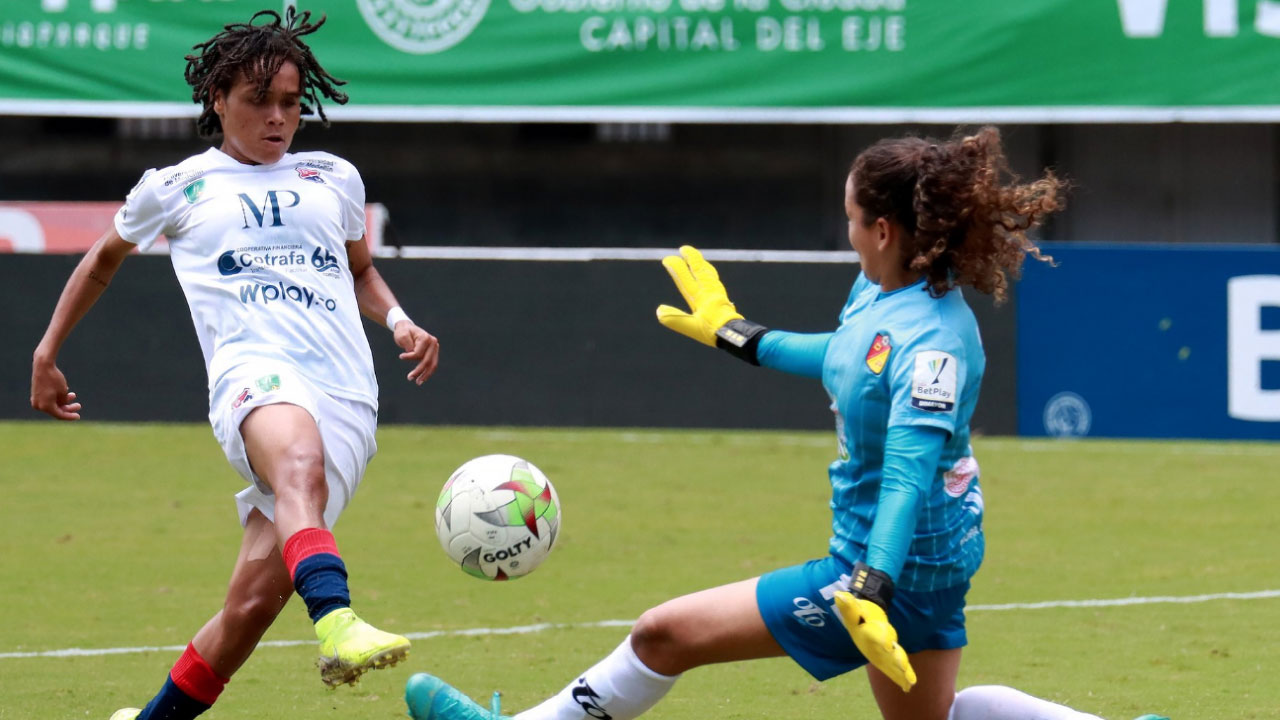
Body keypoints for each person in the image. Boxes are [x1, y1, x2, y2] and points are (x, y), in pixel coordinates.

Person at [401, 128, 1165, 720]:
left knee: (663, 635)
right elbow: (845, 357)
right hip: (917, 561)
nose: (848, 231)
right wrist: (739, 333)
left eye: (851, 218)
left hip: (887, 567)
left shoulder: (936, 344)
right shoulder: (880, 294)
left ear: (885, 230)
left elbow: (908, 471)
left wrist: (868, 583)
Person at [28, 9, 440, 720]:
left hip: (345, 392)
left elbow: (360, 270)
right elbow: (101, 262)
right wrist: (47, 350)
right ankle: (338, 622)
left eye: (290, 102)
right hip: (254, 377)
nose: (278, 118)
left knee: (248, 609)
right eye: (259, 101)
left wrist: (401, 321)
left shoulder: (332, 176)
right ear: (218, 98)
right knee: (297, 463)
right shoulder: (177, 186)